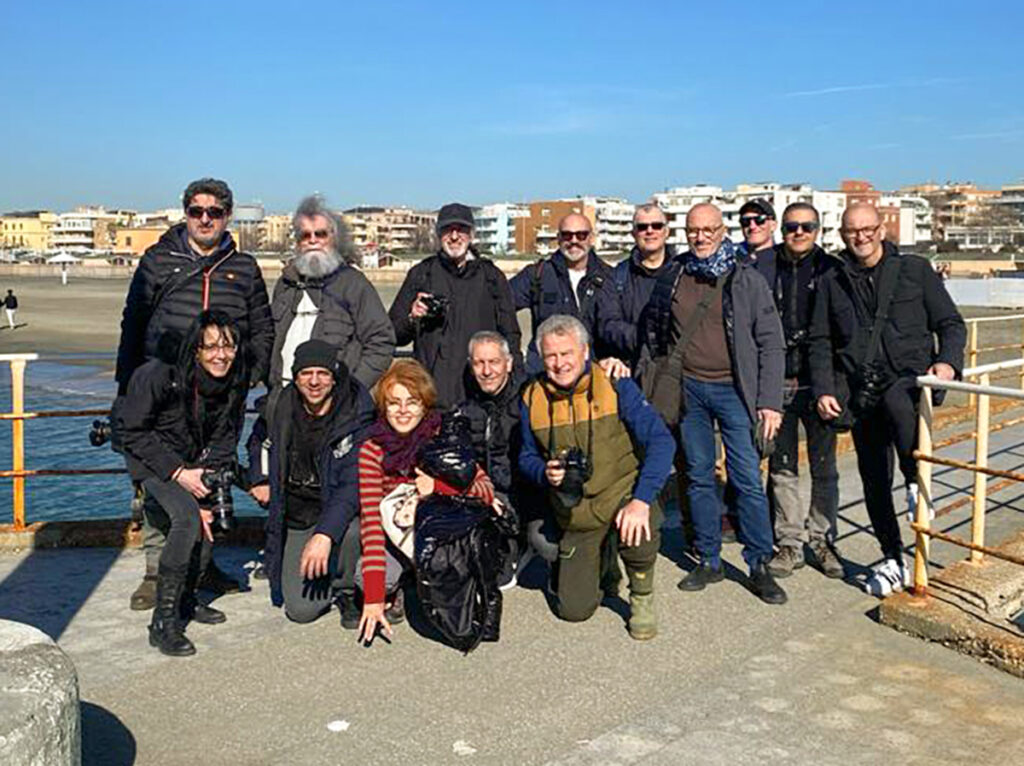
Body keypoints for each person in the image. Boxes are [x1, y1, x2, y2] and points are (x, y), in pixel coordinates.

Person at [116, 178, 274, 609]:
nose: (205, 219)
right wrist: (125, 384)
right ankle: (156, 570)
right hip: (164, 386)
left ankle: (203, 565)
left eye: (215, 211)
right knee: (158, 479)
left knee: (210, 473)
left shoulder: (243, 268)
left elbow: (261, 327)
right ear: (185, 212)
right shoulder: (157, 260)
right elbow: (133, 322)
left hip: (222, 389)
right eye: (196, 210)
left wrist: (249, 374)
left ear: (227, 216)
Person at [809, 202, 966, 596]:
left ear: (881, 230)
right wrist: (826, 388)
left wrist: (947, 364)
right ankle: (893, 557)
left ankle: (916, 482)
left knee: (899, 400)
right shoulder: (834, 280)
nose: (860, 237)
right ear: (842, 235)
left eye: (867, 229)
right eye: (851, 232)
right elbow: (821, 340)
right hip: (862, 392)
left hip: (910, 385)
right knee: (874, 480)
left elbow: (950, 323)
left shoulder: (914, 270)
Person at [639, 203, 788, 604]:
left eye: (708, 229)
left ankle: (759, 562)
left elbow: (771, 342)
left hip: (736, 392)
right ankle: (709, 558)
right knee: (700, 476)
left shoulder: (745, 278)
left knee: (745, 480)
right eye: (693, 230)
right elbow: (654, 326)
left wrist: (769, 402)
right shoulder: (675, 273)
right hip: (690, 391)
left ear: (723, 232)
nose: (700, 237)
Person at [518, 315, 675, 640]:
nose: (560, 363)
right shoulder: (531, 397)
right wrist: (543, 473)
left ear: (585, 351)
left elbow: (662, 441)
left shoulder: (615, 383)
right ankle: (604, 558)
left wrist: (641, 500)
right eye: (551, 356)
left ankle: (641, 596)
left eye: (567, 353)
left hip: (620, 492)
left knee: (640, 529)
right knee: (574, 611)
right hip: (576, 511)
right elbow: (526, 457)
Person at [118, 310, 250, 656]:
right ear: (196, 350)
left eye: (228, 346)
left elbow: (227, 435)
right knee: (187, 519)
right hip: (152, 459)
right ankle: (163, 621)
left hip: (194, 462)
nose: (221, 355)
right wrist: (178, 473)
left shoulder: (235, 379)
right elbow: (134, 433)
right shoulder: (159, 376)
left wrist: (208, 477)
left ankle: (188, 601)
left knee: (208, 529)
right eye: (211, 348)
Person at [356, 359, 496, 643]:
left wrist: (438, 486)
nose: (404, 411)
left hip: (444, 537)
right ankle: (402, 584)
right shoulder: (372, 449)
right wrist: (372, 599)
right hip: (399, 536)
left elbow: (485, 489)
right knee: (369, 580)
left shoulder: (443, 438)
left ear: (425, 404)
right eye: (394, 403)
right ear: (384, 407)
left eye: (412, 401)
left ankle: (423, 581)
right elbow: (371, 523)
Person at [247, 340, 375, 625]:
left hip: (338, 508)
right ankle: (326, 572)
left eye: (322, 373)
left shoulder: (355, 411)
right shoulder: (280, 406)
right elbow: (258, 442)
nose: (314, 381)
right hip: (297, 514)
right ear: (295, 376)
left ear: (334, 376)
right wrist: (261, 477)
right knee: (300, 610)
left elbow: (351, 484)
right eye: (306, 373)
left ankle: (344, 588)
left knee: (353, 531)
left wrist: (325, 535)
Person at [762, 203, 844, 580]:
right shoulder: (764, 267)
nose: (798, 233)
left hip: (821, 382)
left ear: (817, 229)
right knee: (782, 469)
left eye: (806, 226)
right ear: (781, 229)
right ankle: (790, 542)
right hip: (779, 380)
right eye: (792, 226)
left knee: (825, 467)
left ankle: (823, 538)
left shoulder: (833, 269)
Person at [389, 203, 521, 407]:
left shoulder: (491, 277)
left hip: (479, 396)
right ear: (438, 234)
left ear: (472, 234)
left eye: (461, 229)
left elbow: (511, 335)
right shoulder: (421, 275)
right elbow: (393, 334)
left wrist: (513, 386)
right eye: (447, 230)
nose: (454, 236)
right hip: (430, 395)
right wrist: (412, 318)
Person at [269, 195, 395, 389]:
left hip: (335, 405)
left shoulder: (354, 284)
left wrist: (353, 389)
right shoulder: (285, 284)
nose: (313, 241)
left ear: (334, 238)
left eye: (320, 234)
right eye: (305, 235)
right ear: (297, 242)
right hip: (284, 401)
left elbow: (381, 342)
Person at [452, 331, 527, 585]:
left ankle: (523, 543)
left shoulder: (528, 398)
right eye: (479, 363)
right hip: (484, 493)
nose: (486, 371)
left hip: (522, 493)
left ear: (509, 363)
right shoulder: (464, 405)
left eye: (494, 362)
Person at [511, 212, 626, 374]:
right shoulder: (537, 275)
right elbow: (497, 306)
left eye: (581, 235)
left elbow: (618, 327)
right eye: (567, 235)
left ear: (591, 238)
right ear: (558, 239)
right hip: (544, 374)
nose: (574, 241)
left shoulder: (610, 278)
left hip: (592, 374)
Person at [607, 204, 677, 366]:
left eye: (657, 226)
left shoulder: (684, 273)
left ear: (666, 232)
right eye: (642, 227)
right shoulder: (617, 277)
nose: (650, 231)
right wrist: (648, 338)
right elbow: (608, 324)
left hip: (676, 369)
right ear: (633, 234)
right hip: (632, 367)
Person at [737, 198, 777, 267]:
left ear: (773, 225)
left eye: (759, 220)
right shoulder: (732, 260)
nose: (752, 226)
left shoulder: (785, 260)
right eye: (745, 221)